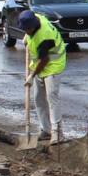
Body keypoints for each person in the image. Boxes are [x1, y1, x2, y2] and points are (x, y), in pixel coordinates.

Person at [18, 9, 66, 145]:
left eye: (26, 30)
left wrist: (31, 76)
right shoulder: (35, 17)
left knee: (52, 98)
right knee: (38, 98)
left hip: (54, 64)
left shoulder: (45, 36)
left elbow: (44, 60)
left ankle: (58, 133)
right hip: (40, 63)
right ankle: (46, 130)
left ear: (32, 27)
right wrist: (27, 37)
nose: (25, 31)